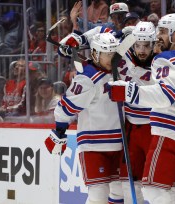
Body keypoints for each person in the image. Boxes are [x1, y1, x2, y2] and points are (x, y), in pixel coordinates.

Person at [108, 13, 175, 203]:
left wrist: (128, 92)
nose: (158, 36)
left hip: (171, 134)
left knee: (153, 191)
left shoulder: (165, 60)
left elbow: (164, 95)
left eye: (163, 31)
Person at [44, 33, 124, 204]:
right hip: (94, 145)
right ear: (95, 54)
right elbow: (66, 107)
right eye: (106, 54)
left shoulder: (119, 71)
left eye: (113, 53)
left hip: (120, 142)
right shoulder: (87, 78)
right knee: (98, 195)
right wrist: (60, 130)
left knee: (119, 192)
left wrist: (79, 38)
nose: (112, 58)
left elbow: (112, 30)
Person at [117, 21, 157, 203]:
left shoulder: (161, 64)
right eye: (137, 45)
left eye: (146, 45)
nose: (141, 50)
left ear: (154, 43)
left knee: (153, 183)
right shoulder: (123, 57)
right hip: (131, 129)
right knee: (128, 182)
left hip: (154, 129)